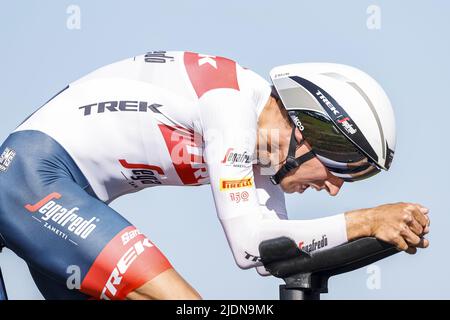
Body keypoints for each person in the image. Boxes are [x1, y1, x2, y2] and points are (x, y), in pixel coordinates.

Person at [0, 51, 429, 300]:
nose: (334, 187)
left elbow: (270, 253)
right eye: (341, 166)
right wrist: (368, 220)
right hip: (32, 176)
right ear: (309, 129)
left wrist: (371, 236)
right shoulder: (230, 107)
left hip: (66, 195)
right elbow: (246, 247)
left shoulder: (260, 154)